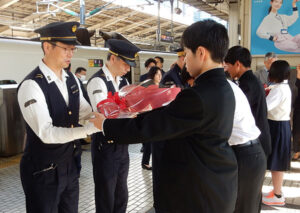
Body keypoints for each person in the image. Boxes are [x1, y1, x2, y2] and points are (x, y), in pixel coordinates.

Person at [90, 19, 238, 213]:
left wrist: (106, 126)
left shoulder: (198, 95)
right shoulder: (223, 88)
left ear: (201, 53)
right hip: (212, 185)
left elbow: (154, 126)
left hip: (197, 194)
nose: (185, 61)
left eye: (186, 54)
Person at [17, 21, 99, 213]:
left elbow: (85, 112)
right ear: (47, 47)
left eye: (73, 49)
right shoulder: (32, 86)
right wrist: (87, 130)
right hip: (43, 172)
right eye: (65, 48)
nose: (70, 54)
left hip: (70, 166)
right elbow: (47, 133)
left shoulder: (72, 80)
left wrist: (109, 116)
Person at [87, 38, 141, 213]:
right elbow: (104, 113)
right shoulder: (98, 82)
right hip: (105, 148)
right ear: (112, 59)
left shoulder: (123, 83)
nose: (128, 68)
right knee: (106, 196)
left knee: (121, 195)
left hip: (122, 147)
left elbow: (129, 106)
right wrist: (128, 112)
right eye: (126, 64)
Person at [226, 79, 267, 213]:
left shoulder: (222, 88)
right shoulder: (227, 85)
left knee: (244, 207)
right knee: (247, 206)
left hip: (246, 154)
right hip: (250, 152)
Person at [224, 46, 272, 158]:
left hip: (255, 143)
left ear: (237, 64)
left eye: (228, 66)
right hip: (257, 139)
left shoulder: (247, 84)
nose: (227, 69)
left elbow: (235, 110)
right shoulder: (249, 80)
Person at [262, 60, 292, 206]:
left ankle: (278, 195)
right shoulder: (281, 86)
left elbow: (265, 107)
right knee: (276, 161)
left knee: (277, 162)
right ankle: (276, 191)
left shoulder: (279, 89)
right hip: (280, 126)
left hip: (277, 127)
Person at [139, 66, 163, 170]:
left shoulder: (159, 85)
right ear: (153, 74)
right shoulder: (148, 85)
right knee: (149, 141)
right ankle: (145, 162)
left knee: (152, 141)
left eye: (161, 74)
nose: (160, 76)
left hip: (156, 115)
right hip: (148, 115)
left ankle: (147, 162)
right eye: (158, 74)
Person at [292, 64, 300, 160]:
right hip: (299, 107)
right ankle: (297, 151)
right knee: (297, 129)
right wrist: (298, 72)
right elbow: (297, 84)